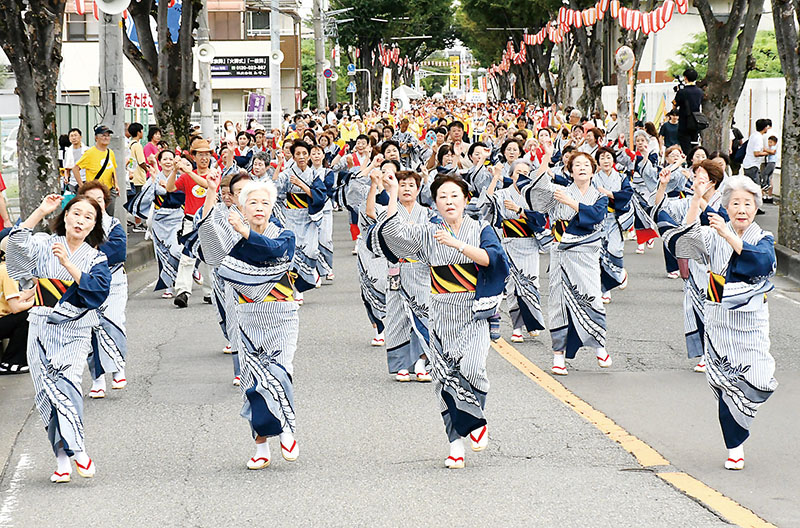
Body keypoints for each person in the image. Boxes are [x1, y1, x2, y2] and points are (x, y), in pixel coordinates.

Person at [369, 173, 508, 469]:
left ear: (465, 200)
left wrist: (456, 244)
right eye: (442, 197)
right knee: (444, 382)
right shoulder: (428, 231)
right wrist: (392, 192)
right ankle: (455, 444)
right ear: (435, 203)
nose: (448, 201)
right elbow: (393, 236)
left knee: (472, 368)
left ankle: (476, 422)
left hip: (473, 312)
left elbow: (492, 259)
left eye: (454, 196)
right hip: (441, 314)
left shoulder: (481, 228)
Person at [658, 175, 777, 471]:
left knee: (761, 379)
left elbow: (762, 263)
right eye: (735, 203)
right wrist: (697, 201)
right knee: (724, 384)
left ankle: (742, 423)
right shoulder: (712, 234)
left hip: (751, 322)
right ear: (726, 205)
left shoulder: (762, 238)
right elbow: (682, 242)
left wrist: (728, 235)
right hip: (719, 319)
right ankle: (734, 447)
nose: (741, 209)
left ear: (754, 208)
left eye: (747, 204)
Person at [199, 175, 301, 470]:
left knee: (280, 372)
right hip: (246, 316)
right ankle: (261, 445)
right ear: (241, 207)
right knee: (253, 382)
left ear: (272, 208)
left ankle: (287, 428)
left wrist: (246, 234)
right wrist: (210, 193)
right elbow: (209, 241)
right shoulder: (231, 236)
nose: (259, 207)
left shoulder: (284, 236)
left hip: (281, 314)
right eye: (252, 202)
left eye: (264, 203)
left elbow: (273, 253)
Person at [7, 194, 111, 483]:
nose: (80, 220)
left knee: (67, 387)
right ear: (65, 216)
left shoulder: (95, 258)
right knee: (46, 395)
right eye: (75, 213)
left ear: (94, 226)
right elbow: (14, 245)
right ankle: (62, 459)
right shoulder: (43, 243)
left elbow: (97, 292)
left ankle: (78, 450)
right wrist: (40, 209)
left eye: (88, 217)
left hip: (75, 329)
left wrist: (68, 264)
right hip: (41, 326)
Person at [522, 151, 610, 376]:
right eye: (576, 165)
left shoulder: (598, 195)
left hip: (587, 253)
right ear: (570, 171)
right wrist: (545, 159)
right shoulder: (558, 191)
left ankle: (600, 346)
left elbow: (596, 216)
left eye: (586, 165)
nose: (581, 168)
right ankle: (558, 356)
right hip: (561, 253)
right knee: (559, 304)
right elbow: (535, 191)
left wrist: (571, 202)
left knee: (592, 298)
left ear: (593, 170)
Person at [484, 160, 550, 342]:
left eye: (525, 172)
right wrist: (496, 176)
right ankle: (517, 327)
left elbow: (540, 218)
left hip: (529, 243)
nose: (521, 175)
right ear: (511, 175)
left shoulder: (533, 195)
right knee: (513, 287)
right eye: (517, 172)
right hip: (510, 243)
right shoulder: (504, 193)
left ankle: (532, 322)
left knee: (531, 284)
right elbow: (488, 201)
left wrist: (520, 210)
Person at [79, 181, 129, 398]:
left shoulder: (113, 224)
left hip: (114, 282)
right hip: (87, 285)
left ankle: (118, 368)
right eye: (91, 200)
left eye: (99, 200)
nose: (96, 204)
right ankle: (97, 379)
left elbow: (118, 251)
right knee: (91, 329)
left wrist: (90, 252)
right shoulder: (76, 225)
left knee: (114, 321)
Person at [169, 140, 213, 307]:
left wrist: (187, 171)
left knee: (210, 257)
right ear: (194, 156)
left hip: (208, 221)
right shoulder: (187, 176)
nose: (204, 158)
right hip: (189, 221)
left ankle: (210, 292)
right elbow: (170, 188)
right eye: (200, 154)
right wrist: (175, 170)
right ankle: (182, 292)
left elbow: (207, 184)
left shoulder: (214, 172)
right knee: (187, 257)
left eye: (207, 154)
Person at [0, 232, 34, 375]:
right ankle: (11, 362)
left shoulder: (4, 268)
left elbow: (14, 300)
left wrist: (33, 293)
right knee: (27, 316)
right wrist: (34, 303)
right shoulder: (8, 272)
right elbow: (15, 308)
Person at [73, 125, 120, 209]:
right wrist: (82, 186)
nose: (106, 138)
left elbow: (113, 169)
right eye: (103, 135)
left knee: (109, 217)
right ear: (96, 138)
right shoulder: (90, 153)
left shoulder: (110, 152)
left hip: (109, 191)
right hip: (95, 192)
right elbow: (75, 168)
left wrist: (116, 184)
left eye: (108, 135)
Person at [673, 68, 704, 156]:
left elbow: (674, 105)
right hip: (696, 122)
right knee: (694, 145)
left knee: (686, 148)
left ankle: (690, 162)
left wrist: (678, 91)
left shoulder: (682, 92)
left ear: (685, 78)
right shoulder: (700, 92)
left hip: (684, 123)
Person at [742, 119, 771, 192]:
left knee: (748, 186)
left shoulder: (753, 135)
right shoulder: (758, 138)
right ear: (764, 128)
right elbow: (756, 153)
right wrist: (767, 153)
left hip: (747, 164)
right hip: (753, 165)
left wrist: (766, 150)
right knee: (755, 188)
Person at [62, 128, 90, 194]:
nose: (74, 138)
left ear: (80, 137)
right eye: (71, 136)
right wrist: (66, 177)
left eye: (75, 135)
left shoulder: (87, 150)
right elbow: (67, 167)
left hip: (85, 180)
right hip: (72, 182)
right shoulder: (68, 152)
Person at [760, 135, 778, 204]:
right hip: (769, 162)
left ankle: (766, 184)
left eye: (771, 142)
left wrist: (764, 149)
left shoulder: (773, 148)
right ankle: (767, 185)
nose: (769, 144)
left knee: (765, 173)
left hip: (771, 163)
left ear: (775, 143)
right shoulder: (770, 148)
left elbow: (772, 152)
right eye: (769, 142)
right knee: (768, 175)